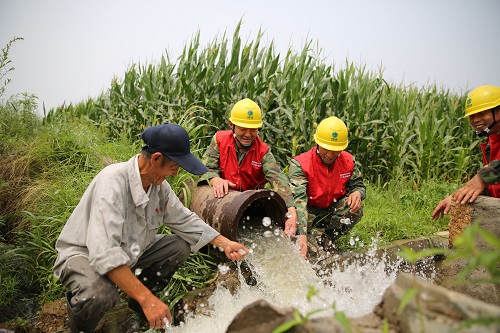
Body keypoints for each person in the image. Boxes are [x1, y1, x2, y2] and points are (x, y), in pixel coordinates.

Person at [53, 123, 249, 333]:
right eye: (173, 167)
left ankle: (137, 308)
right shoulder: (112, 183)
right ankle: (80, 327)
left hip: (130, 250)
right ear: (156, 158)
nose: (174, 175)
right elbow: (105, 253)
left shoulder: (159, 187)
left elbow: (183, 219)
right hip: (85, 254)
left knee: (178, 247)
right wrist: (149, 300)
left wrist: (224, 243)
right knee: (100, 294)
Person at [200, 98, 301, 255]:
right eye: (243, 129)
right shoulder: (219, 140)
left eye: (253, 129)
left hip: (251, 205)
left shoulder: (263, 152)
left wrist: (291, 211)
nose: (248, 134)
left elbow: (278, 181)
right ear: (231, 125)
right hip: (224, 200)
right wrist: (215, 179)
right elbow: (205, 167)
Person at [288, 116, 366, 252]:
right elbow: (298, 201)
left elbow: (357, 184)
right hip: (308, 212)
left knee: (355, 209)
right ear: (317, 143)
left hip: (331, 210)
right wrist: (301, 234)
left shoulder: (348, 161)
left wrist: (357, 193)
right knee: (307, 247)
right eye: (326, 148)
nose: (330, 154)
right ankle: (309, 239)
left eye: (335, 150)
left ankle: (327, 238)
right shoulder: (300, 164)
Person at [432, 85, 500, 220]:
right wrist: (458, 196)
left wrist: (482, 178)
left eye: (481, 113)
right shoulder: (491, 142)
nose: (475, 120)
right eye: (472, 116)